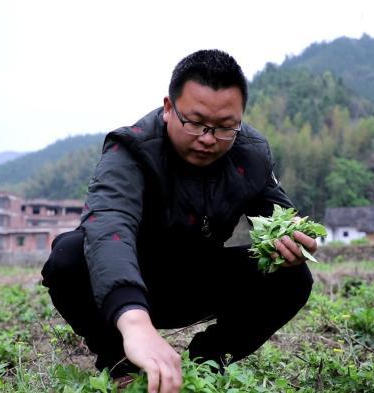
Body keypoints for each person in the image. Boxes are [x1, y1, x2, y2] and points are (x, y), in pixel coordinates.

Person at [41, 49, 316, 393]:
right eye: (195, 122)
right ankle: (121, 364)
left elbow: (281, 218)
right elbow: (109, 224)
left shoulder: (251, 153)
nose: (208, 138)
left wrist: (296, 241)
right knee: (68, 257)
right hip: (133, 281)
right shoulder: (131, 149)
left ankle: (207, 362)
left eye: (225, 127)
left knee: (292, 277)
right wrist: (135, 320)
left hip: (198, 278)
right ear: (169, 108)